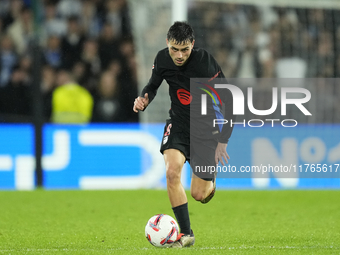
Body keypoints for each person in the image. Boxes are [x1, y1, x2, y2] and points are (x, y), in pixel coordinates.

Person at [133, 21, 234, 248]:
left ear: (193, 45)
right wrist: (143, 99)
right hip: (178, 123)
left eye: (185, 50)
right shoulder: (162, 59)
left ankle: (210, 183)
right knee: (171, 172)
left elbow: (229, 100)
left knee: (200, 194)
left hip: (205, 130)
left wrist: (222, 140)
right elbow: (152, 86)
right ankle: (186, 234)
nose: (179, 55)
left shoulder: (205, 64)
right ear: (168, 43)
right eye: (174, 49)